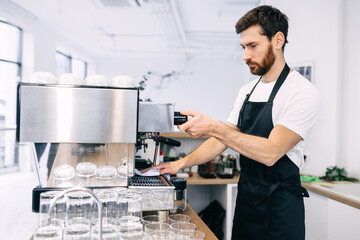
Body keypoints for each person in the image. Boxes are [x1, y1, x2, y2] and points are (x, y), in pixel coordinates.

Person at [150, 5, 319, 240]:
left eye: (252, 46)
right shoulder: (248, 91)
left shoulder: (301, 92)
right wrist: (179, 164)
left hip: (280, 210)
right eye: (243, 47)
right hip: (247, 203)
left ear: (277, 40)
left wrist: (214, 127)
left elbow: (271, 152)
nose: (245, 55)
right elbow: (222, 140)